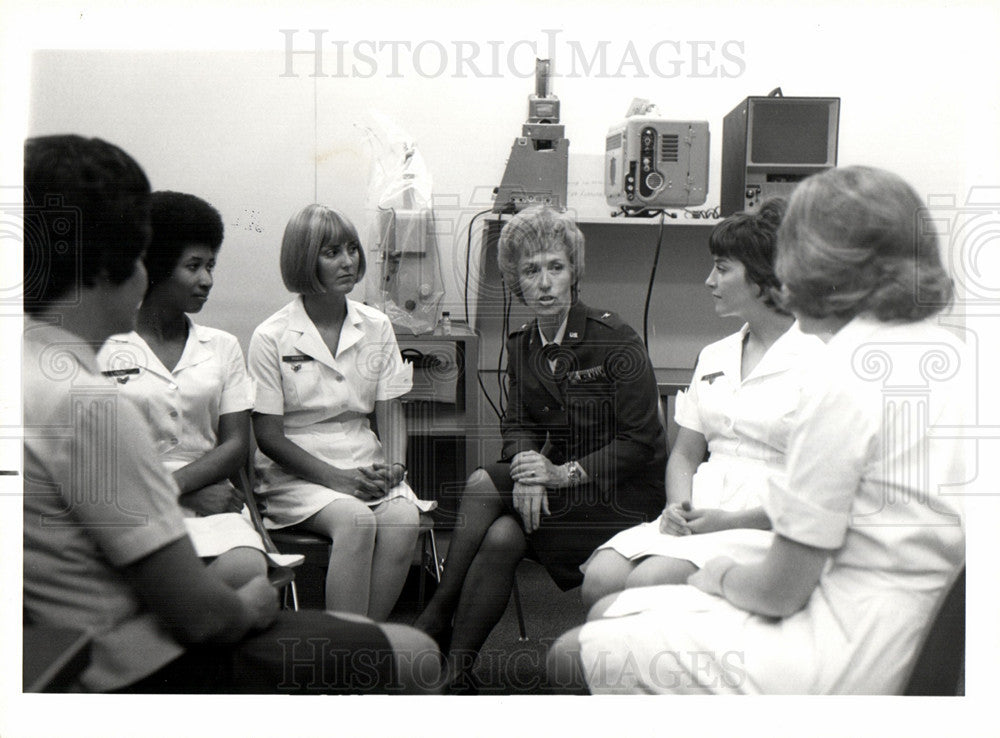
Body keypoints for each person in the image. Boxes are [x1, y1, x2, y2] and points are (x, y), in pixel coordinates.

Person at [22, 135, 438, 693]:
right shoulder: (89, 405)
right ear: (121, 263)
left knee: (392, 525)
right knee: (418, 654)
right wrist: (255, 602)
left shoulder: (28, 367)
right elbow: (201, 614)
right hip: (123, 663)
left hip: (48, 650)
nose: (203, 279)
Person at [547, 166, 967, 695]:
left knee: (571, 653)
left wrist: (715, 576)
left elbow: (778, 591)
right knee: (614, 603)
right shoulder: (954, 356)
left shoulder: (841, 374)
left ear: (821, 266)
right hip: (928, 641)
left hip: (845, 652)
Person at [413, 205, 667, 689]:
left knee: (484, 483)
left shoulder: (615, 338)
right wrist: (530, 467)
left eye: (556, 267)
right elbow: (518, 423)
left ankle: (435, 617)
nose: (546, 281)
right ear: (516, 282)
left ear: (574, 273)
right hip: (563, 489)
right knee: (503, 535)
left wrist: (560, 474)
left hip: (623, 497)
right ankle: (457, 670)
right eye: (532, 270)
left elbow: (643, 442)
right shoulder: (524, 343)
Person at [579, 200, 823, 608]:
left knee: (647, 583)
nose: (709, 280)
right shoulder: (714, 355)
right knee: (601, 578)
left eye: (722, 268)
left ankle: (661, 669)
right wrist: (677, 506)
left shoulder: (819, 359)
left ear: (763, 279)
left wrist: (728, 521)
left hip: (767, 522)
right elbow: (684, 455)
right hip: (699, 512)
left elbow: (818, 491)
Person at [97, 190, 294, 589]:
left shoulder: (222, 346)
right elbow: (98, 451)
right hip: (128, 501)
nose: (207, 280)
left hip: (214, 497)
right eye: (194, 266)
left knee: (246, 570)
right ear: (156, 267)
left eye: (211, 266)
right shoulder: (103, 346)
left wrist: (186, 488)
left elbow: (235, 445)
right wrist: (176, 495)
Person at [248, 204, 432, 619]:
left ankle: (364, 640)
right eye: (331, 252)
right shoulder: (270, 336)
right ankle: (344, 653)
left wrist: (396, 465)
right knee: (356, 522)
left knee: (403, 521)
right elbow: (269, 437)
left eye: (351, 248)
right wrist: (338, 480)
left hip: (364, 458)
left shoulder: (377, 325)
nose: (348, 261)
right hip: (297, 469)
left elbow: (390, 409)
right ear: (303, 260)